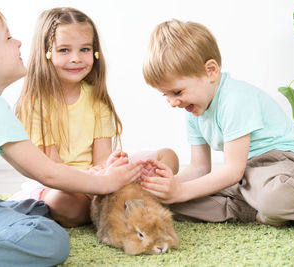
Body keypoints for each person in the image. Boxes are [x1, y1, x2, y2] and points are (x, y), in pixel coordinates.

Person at [0, 5, 142, 267]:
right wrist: (106, 183)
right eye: (8, 38)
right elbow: (46, 173)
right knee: (49, 238)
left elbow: (34, 167)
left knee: (38, 211)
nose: (20, 42)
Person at [11, 7, 179, 227]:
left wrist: (110, 167)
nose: (76, 58)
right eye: (64, 50)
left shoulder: (97, 99)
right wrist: (94, 180)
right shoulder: (35, 105)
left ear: (95, 52)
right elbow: (53, 169)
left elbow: (102, 157)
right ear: (46, 53)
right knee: (62, 202)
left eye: (84, 49)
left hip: (100, 180)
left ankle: (114, 199)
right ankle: (119, 201)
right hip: (62, 185)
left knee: (168, 157)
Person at [141, 19, 294, 227]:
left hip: (281, 165)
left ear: (211, 71)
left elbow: (233, 170)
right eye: (166, 95)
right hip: (246, 178)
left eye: (177, 92)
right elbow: (199, 167)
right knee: (166, 202)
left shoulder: (235, 100)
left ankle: (272, 206)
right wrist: (165, 186)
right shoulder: (193, 111)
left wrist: (182, 191)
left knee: (271, 197)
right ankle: (255, 210)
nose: (172, 102)